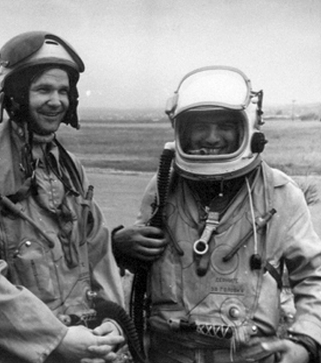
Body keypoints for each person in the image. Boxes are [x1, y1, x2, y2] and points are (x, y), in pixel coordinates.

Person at [0, 31, 137, 363]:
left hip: (84, 347)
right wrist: (56, 339)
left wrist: (110, 321)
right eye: (43, 89)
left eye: (64, 91)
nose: (56, 101)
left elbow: (97, 249)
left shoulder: (71, 168)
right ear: (16, 95)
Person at [112, 66, 321, 363]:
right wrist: (120, 246)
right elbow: (141, 263)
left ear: (248, 128)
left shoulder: (279, 194)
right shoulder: (162, 187)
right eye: (199, 126)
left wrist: (306, 340)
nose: (211, 138)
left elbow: (313, 275)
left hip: (249, 354)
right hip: (167, 353)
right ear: (181, 130)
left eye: (224, 125)